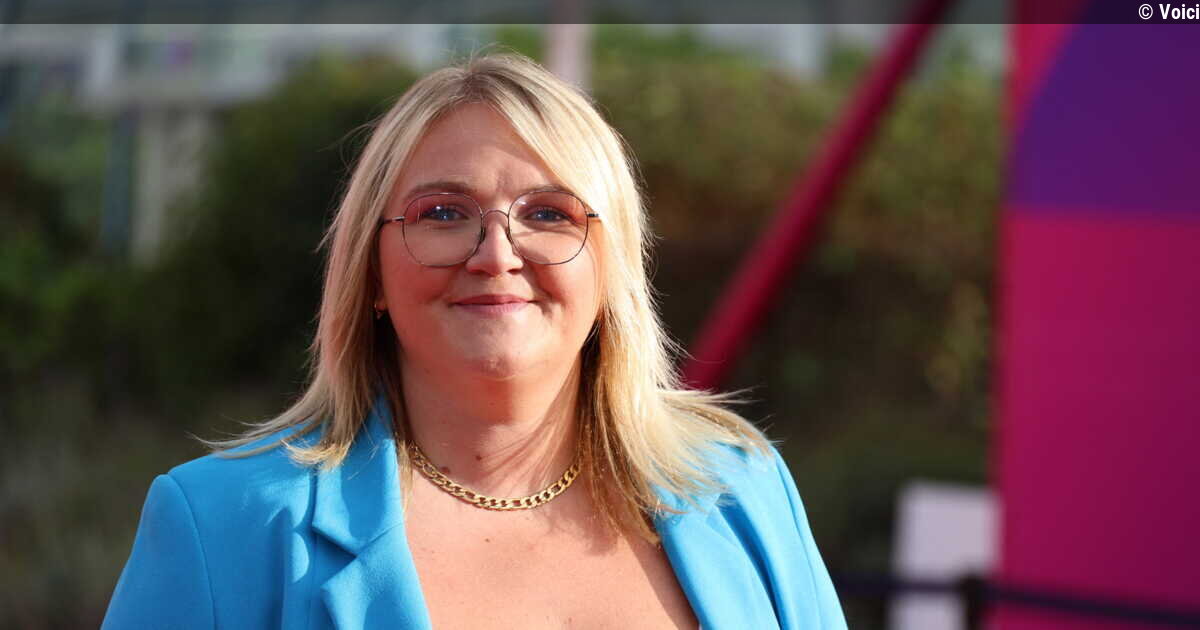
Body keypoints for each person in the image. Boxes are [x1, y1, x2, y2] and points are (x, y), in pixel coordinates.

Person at [102, 52, 847, 630]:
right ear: (372, 272)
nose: (496, 254)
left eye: (549, 214)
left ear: (612, 266)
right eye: (442, 213)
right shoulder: (222, 526)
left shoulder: (740, 490)